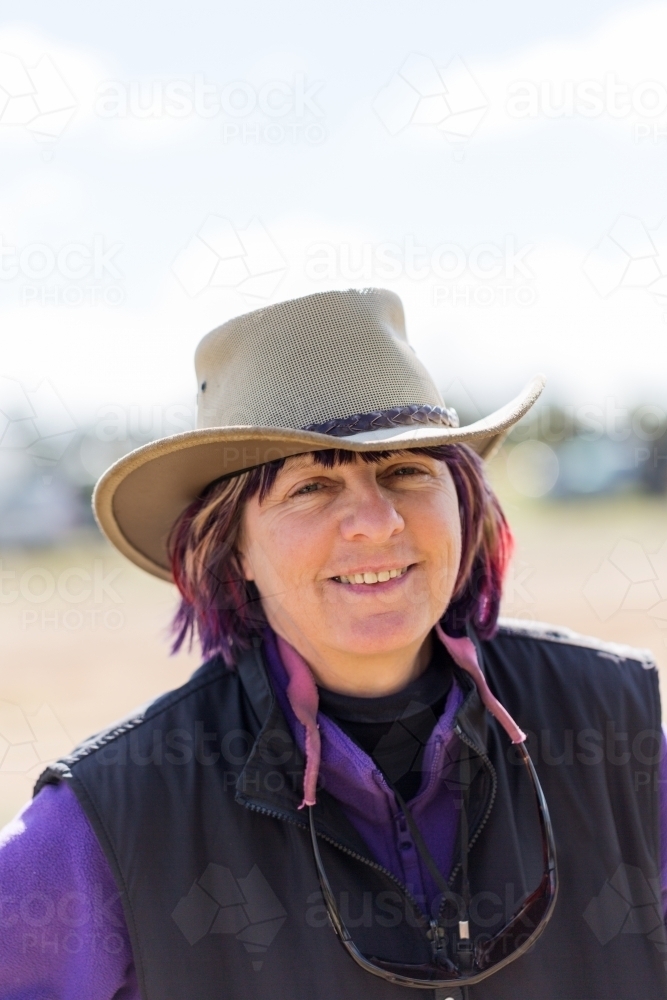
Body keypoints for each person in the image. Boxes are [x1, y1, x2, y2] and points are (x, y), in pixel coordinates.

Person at [0, 288, 665, 1000]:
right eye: (311, 485)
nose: (375, 522)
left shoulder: (614, 728)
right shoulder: (109, 820)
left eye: (406, 471)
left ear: (466, 506)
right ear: (232, 551)